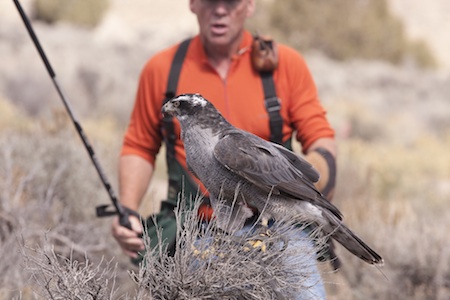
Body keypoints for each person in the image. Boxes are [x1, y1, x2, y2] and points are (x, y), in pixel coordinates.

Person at [112, 0, 337, 298]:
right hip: (197, 228)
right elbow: (139, 146)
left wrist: (306, 189)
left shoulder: (286, 65)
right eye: (209, 0)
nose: (219, 10)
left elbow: (321, 140)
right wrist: (127, 210)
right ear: (193, 4)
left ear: (249, 5)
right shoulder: (162, 69)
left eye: (230, 1)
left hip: (279, 225)